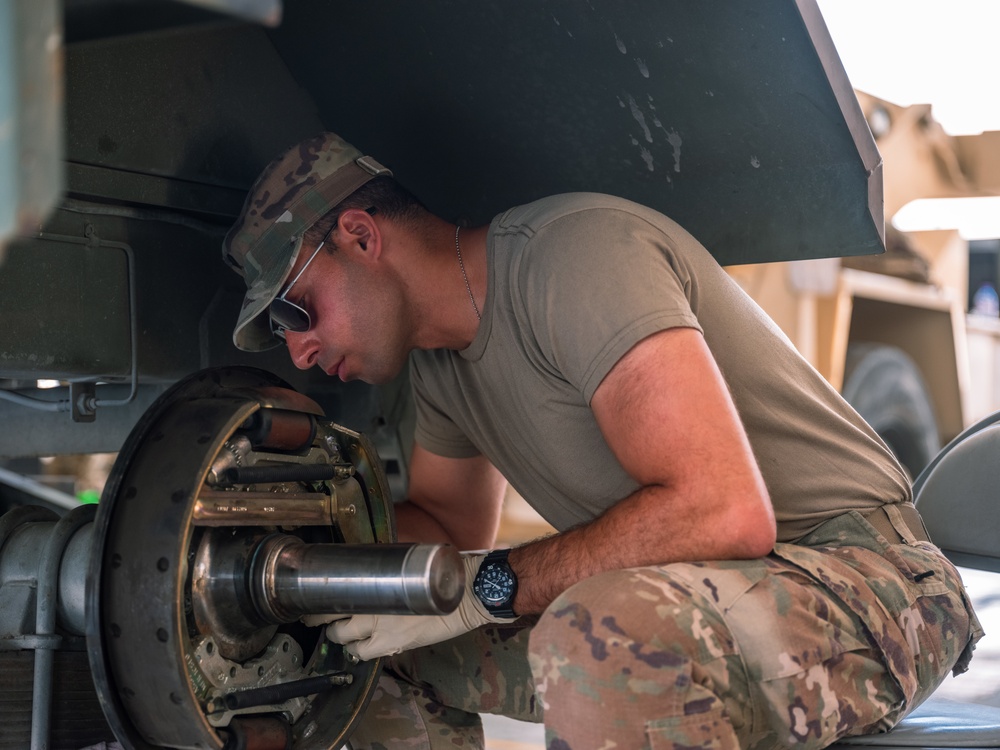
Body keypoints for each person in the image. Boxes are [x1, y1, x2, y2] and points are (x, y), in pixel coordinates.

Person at [223, 132, 982, 750]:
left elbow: (722, 513)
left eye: (295, 313)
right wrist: (315, 561)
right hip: (701, 586)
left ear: (359, 235)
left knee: (601, 638)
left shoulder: (574, 254)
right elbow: (448, 535)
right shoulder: (440, 371)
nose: (298, 350)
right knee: (372, 648)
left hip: (868, 578)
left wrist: (486, 591)